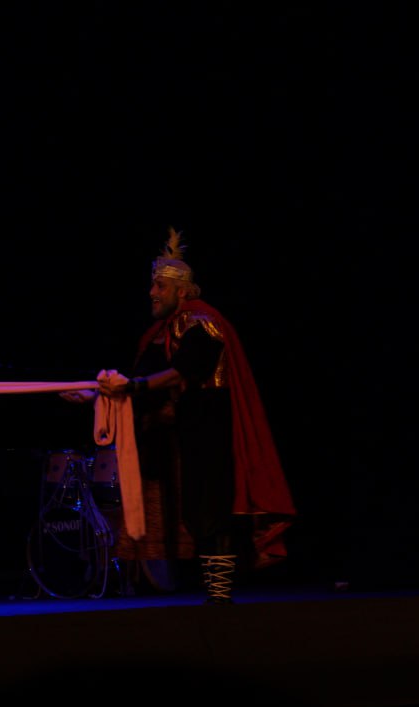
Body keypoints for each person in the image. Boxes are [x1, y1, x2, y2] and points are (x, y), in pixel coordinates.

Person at [62, 228, 296, 604]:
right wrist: (93, 397)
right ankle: (211, 591)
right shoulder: (160, 333)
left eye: (160, 286)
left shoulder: (202, 322)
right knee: (196, 511)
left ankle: (219, 595)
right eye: (152, 285)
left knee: (212, 508)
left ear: (182, 291)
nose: (151, 293)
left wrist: (131, 387)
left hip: (211, 429)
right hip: (179, 435)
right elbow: (143, 383)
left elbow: (180, 373)